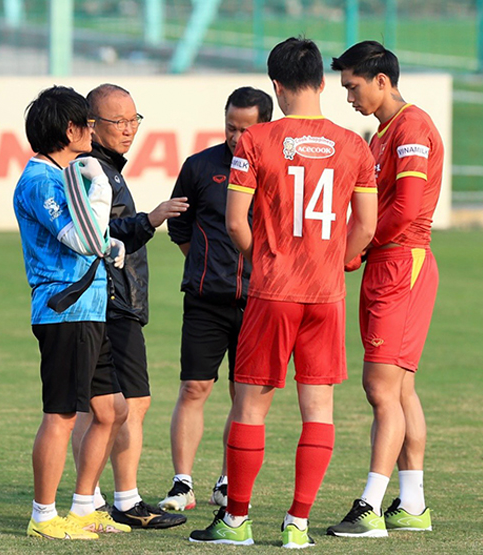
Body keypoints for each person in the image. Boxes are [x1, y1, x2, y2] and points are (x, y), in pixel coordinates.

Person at [188, 37, 378, 548]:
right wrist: (341, 260)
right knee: (319, 409)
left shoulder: (256, 142)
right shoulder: (354, 145)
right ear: (321, 82)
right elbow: (366, 224)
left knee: (251, 406)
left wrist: (261, 259)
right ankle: (297, 525)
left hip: (273, 291)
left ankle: (236, 522)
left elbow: (234, 223)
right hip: (326, 294)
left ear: (276, 86)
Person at [327, 40, 442, 537]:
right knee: (399, 389)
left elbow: (408, 209)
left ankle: (370, 504)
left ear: (381, 80)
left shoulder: (412, 128)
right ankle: (411, 503)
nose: (348, 97)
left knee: (379, 388)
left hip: (401, 265)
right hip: (387, 263)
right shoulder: (382, 134)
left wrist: (356, 247)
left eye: (353, 86)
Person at [13, 85, 131, 541]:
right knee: (61, 414)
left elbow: (94, 239)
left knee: (111, 410)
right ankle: (43, 515)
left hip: (90, 309)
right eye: (88, 122)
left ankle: (83, 506)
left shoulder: (61, 175)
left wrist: (112, 244)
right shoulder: (42, 181)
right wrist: (99, 185)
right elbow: (80, 237)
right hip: (65, 310)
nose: (94, 130)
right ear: (70, 129)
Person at [70, 83, 188, 529]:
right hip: (109, 301)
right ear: (91, 126)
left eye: (134, 120)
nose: (128, 129)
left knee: (113, 405)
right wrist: (151, 219)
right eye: (117, 121)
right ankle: (115, 499)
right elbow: (99, 232)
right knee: (117, 405)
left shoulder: (109, 170)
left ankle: (106, 497)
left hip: (118, 300)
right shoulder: (92, 170)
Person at [160, 86, 273, 512]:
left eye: (246, 129)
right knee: (193, 386)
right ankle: (182, 483)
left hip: (261, 301)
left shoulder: (278, 168)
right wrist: (205, 266)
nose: (236, 136)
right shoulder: (199, 167)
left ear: (265, 126)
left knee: (243, 396)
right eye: (230, 126)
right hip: (206, 300)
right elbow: (180, 226)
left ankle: (228, 482)